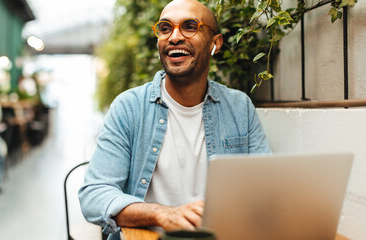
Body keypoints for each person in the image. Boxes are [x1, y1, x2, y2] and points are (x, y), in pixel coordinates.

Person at [78, 0, 271, 239]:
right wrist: (160, 214)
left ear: (215, 43)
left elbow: (266, 189)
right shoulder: (129, 108)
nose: (174, 37)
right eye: (165, 28)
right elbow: (94, 195)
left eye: (190, 26)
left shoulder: (239, 107)